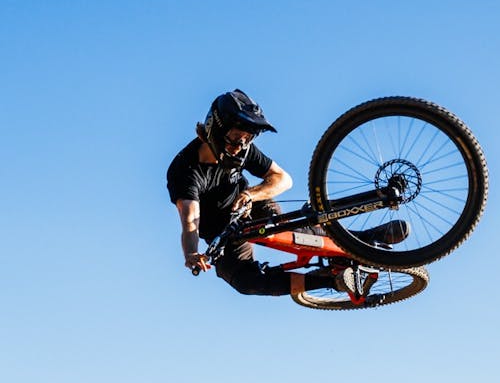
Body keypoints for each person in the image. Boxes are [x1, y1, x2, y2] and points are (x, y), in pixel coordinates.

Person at [167, 89, 406, 298]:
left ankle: (365, 238)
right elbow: (190, 222)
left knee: (295, 233)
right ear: (216, 131)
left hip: (249, 206)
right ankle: (333, 280)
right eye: (235, 138)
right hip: (222, 233)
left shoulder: (242, 150)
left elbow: (283, 179)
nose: (240, 146)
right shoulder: (186, 172)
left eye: (247, 139)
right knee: (246, 282)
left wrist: (251, 195)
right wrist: (191, 253)